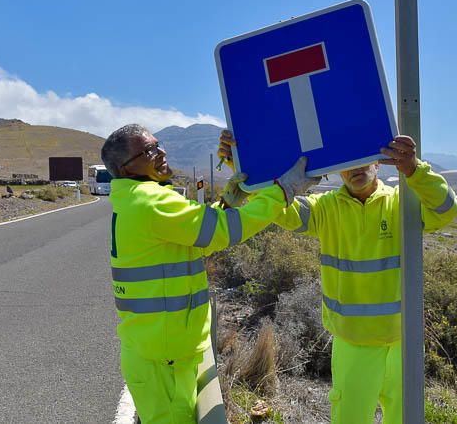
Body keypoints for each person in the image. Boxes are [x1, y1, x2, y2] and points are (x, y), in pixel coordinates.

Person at [218, 131, 457, 424]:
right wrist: (247, 167)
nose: (355, 169)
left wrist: (414, 169)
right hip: (352, 345)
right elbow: (282, 209)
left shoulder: (402, 203)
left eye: (362, 161)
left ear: (378, 163)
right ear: (335, 168)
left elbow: (447, 209)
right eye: (346, 163)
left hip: (403, 343)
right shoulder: (325, 208)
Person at [101, 124, 318, 424]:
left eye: (157, 144)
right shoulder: (151, 202)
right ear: (126, 169)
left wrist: (228, 201)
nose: (161, 152)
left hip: (161, 353)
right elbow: (222, 231)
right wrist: (283, 191)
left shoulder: (138, 199)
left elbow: (193, 242)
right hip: (165, 361)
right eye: (148, 150)